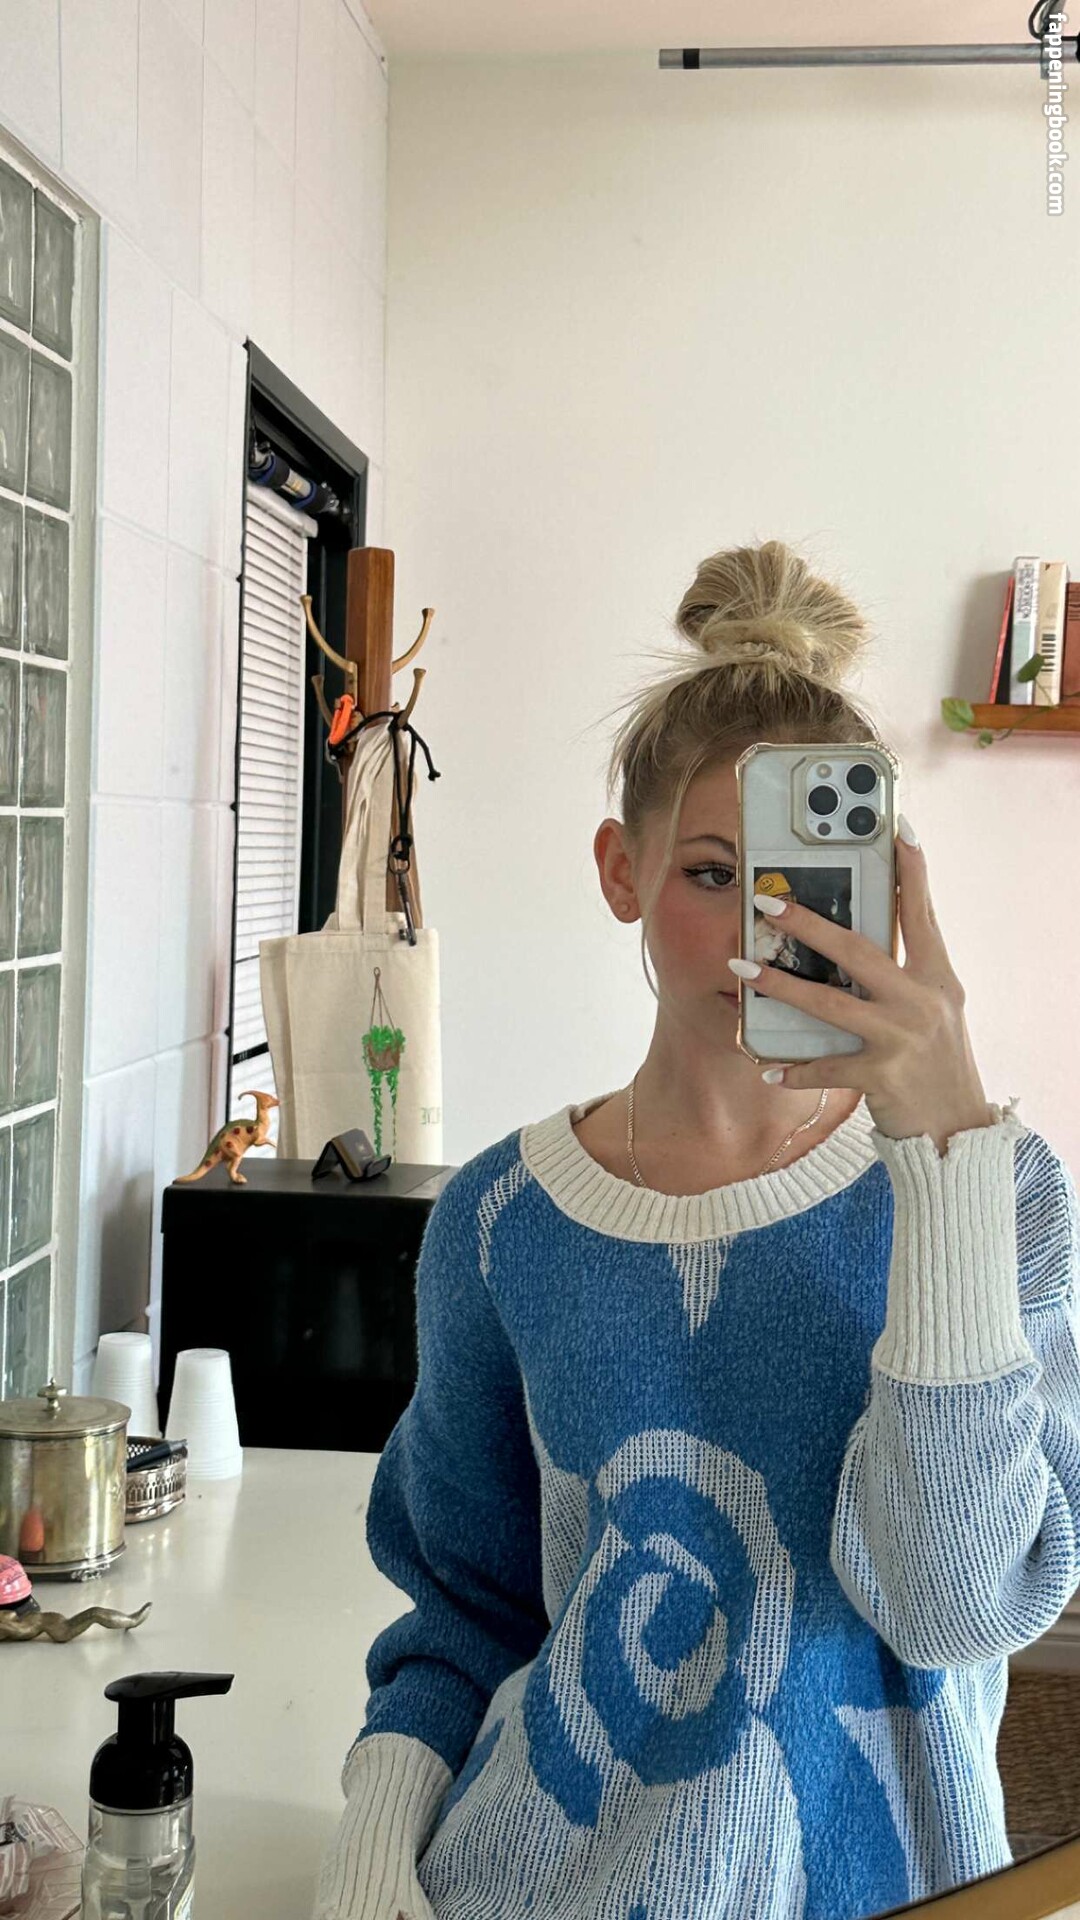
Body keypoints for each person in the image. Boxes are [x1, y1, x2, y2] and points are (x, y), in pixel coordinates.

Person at [310, 539, 1080, 1920]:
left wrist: (946, 1153)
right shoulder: (503, 1220)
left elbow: (955, 1607)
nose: (759, 935)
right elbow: (461, 1615)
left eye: (808, 886)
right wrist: (371, 1858)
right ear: (621, 869)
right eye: (714, 873)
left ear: (888, 891)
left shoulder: (996, 1194)